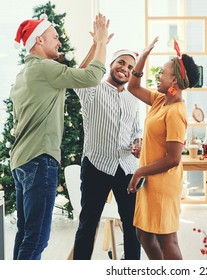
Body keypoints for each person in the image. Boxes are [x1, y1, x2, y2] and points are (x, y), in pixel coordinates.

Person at [9, 13, 110, 260]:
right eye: (54, 37)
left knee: (25, 235)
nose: (59, 42)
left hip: (22, 161)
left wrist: (96, 45)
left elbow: (73, 76)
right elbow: (92, 78)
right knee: (36, 239)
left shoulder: (28, 72)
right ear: (39, 41)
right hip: (40, 159)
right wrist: (103, 44)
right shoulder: (46, 69)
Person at [127, 38, 200, 260]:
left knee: (167, 239)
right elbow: (133, 86)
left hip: (162, 182)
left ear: (174, 81)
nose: (158, 75)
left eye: (163, 72)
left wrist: (139, 171)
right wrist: (143, 57)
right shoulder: (161, 100)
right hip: (150, 180)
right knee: (144, 234)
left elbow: (173, 159)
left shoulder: (176, 112)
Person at [72, 45, 142, 260]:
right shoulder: (92, 89)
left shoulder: (133, 97)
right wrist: (97, 44)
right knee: (88, 225)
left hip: (127, 168)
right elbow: (79, 74)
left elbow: (136, 129)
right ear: (110, 64)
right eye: (121, 62)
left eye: (130, 66)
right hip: (96, 165)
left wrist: (138, 143)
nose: (125, 69)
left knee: (133, 227)